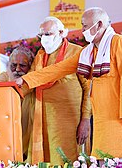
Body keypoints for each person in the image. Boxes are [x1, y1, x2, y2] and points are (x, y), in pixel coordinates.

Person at [16, 7, 122, 158]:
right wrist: (25, 79)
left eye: (85, 26)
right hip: (100, 118)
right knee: (100, 159)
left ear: (99, 24)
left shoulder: (118, 43)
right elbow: (58, 69)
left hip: (117, 119)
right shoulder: (88, 52)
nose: (83, 30)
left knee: (113, 159)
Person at [29, 16, 91, 165]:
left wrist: (85, 119)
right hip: (43, 119)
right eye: (41, 35)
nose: (44, 38)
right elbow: (30, 80)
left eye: (48, 34)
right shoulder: (40, 56)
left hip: (70, 121)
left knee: (69, 159)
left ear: (62, 32)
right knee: (47, 159)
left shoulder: (77, 52)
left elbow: (89, 87)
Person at [0, 45, 35, 162]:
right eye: (14, 65)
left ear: (30, 67)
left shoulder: (34, 78)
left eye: (23, 66)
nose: (18, 69)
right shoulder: (6, 75)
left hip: (30, 131)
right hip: (8, 132)